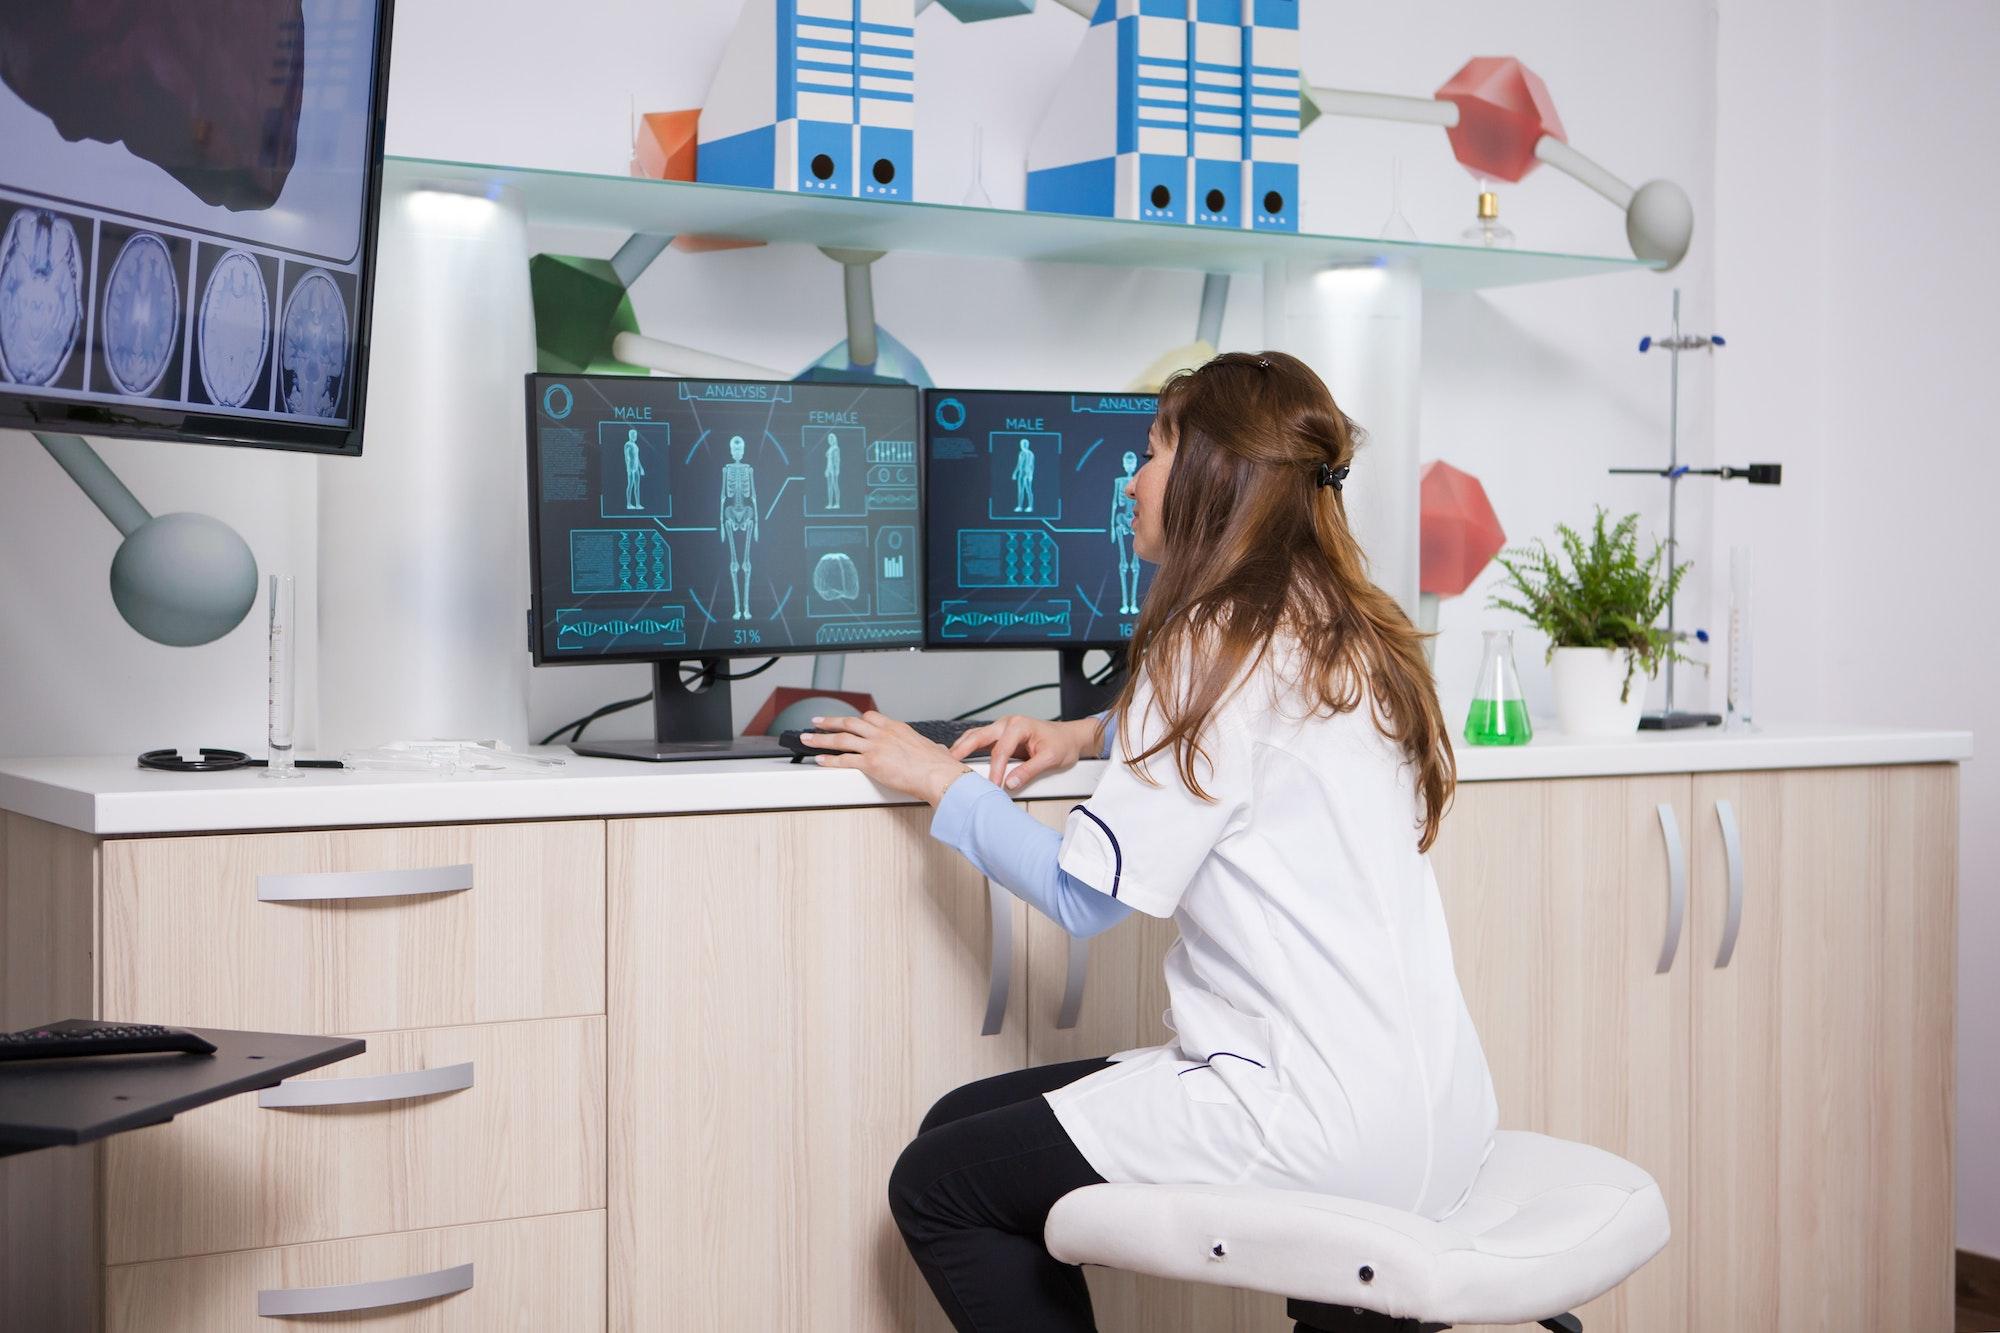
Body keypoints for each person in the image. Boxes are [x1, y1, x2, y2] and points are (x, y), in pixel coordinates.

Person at [801, 351, 1496, 1333]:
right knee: (965, 1127)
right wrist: (1087, 734)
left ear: (1212, 473)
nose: (1128, 479)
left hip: (1302, 1114)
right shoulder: (1347, 630)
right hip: (1434, 1108)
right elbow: (1239, 735)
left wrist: (936, 781)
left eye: (1150, 449)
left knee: (937, 1182)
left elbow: (1086, 899)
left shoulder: (1202, 639)